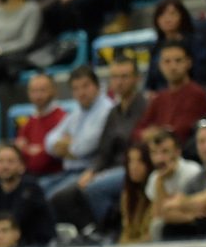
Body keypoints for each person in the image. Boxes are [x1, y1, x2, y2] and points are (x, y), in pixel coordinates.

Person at [50, 55, 147, 230]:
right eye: (115, 77)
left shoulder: (145, 108)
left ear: (137, 79)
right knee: (58, 195)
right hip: (108, 167)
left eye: (125, 76)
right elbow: (104, 151)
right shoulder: (114, 112)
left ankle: (107, 231)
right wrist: (92, 171)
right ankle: (86, 232)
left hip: (131, 167)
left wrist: (74, 150)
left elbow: (139, 146)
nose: (119, 82)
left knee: (92, 189)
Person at [44, 65, 115, 195]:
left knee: (51, 196)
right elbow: (49, 140)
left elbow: (84, 148)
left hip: (89, 171)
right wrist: (67, 144)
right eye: (76, 88)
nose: (81, 93)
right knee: (38, 188)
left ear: (97, 86)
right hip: (68, 171)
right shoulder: (77, 111)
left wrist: (66, 145)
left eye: (85, 86)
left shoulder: (107, 110)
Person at [158, 123, 206, 238]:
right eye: (201, 142)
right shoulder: (200, 176)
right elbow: (166, 211)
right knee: (165, 227)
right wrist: (191, 216)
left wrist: (183, 204)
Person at [133, 41, 206, 144]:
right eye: (167, 61)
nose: (173, 67)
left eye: (178, 61)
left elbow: (180, 132)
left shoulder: (196, 94)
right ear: (160, 65)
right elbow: (137, 131)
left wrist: (154, 133)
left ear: (188, 63)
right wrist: (150, 134)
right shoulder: (159, 98)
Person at [0, 144, 57, 245]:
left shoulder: (31, 189)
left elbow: (15, 222)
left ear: (22, 167)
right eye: (0, 161)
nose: (5, 166)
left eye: (10, 161)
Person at [15, 73, 67, 177]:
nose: (38, 95)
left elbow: (45, 158)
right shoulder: (30, 120)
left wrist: (33, 150)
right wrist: (34, 150)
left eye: (42, 90)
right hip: (30, 175)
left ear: (53, 90)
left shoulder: (62, 119)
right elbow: (19, 150)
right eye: (33, 91)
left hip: (54, 175)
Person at [120, 144, 155, 243]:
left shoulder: (156, 193)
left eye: (140, 161)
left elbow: (150, 237)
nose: (133, 167)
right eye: (130, 161)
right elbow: (126, 232)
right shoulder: (127, 195)